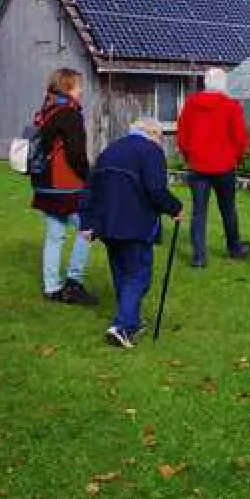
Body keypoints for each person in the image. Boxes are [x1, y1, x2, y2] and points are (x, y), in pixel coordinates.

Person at [81, 118, 184, 348]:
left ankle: (132, 322)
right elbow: (156, 189)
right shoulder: (150, 152)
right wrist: (175, 207)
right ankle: (123, 326)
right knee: (138, 276)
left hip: (107, 225)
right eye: (160, 138)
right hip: (135, 224)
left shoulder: (109, 150)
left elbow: (90, 188)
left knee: (121, 274)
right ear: (154, 134)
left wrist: (87, 222)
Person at [32, 68, 97, 305]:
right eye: (79, 86)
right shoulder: (69, 114)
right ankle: (74, 282)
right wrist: (89, 176)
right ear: (69, 87)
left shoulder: (45, 111)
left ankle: (52, 287)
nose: (81, 91)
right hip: (66, 185)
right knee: (89, 227)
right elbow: (76, 153)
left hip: (44, 183)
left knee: (54, 235)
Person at [177, 67, 250, 267]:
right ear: (223, 84)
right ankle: (234, 247)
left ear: (205, 83)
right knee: (228, 209)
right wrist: (236, 158)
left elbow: (182, 135)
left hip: (198, 166)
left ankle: (199, 256)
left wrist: (189, 156)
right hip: (224, 166)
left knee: (199, 212)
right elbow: (240, 138)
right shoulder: (231, 106)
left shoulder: (191, 104)